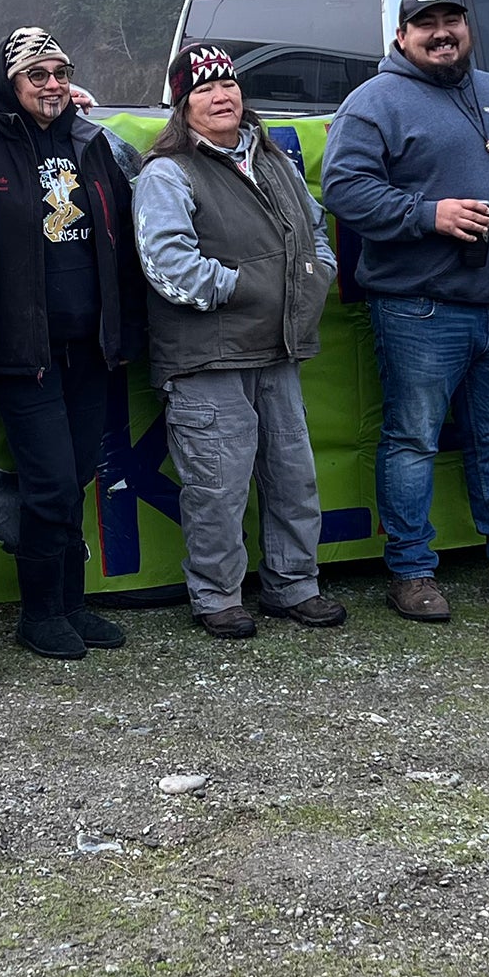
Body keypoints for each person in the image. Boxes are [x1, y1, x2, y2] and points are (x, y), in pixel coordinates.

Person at [321, 0, 489, 622]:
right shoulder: (372, 102)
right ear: (401, 35)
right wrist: (428, 215)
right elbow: (342, 189)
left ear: (467, 27)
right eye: (425, 22)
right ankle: (410, 571)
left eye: (451, 19)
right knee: (412, 441)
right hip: (420, 310)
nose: (441, 32)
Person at [133, 42, 346, 638]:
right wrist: (248, 287)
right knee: (217, 488)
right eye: (203, 89)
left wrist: (315, 276)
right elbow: (167, 264)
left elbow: (315, 230)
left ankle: (293, 586)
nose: (220, 95)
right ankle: (217, 596)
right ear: (182, 105)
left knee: (292, 477)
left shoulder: (272, 158)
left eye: (227, 84)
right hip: (208, 358)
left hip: (278, 350)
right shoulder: (167, 172)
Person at [0, 28, 146, 659]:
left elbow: (126, 232)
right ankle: (39, 612)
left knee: (75, 476)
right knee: (46, 482)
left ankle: (72, 603)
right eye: (36, 75)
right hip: (24, 349)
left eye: (60, 72)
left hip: (91, 344)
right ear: (8, 83)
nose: (52, 85)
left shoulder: (91, 140)